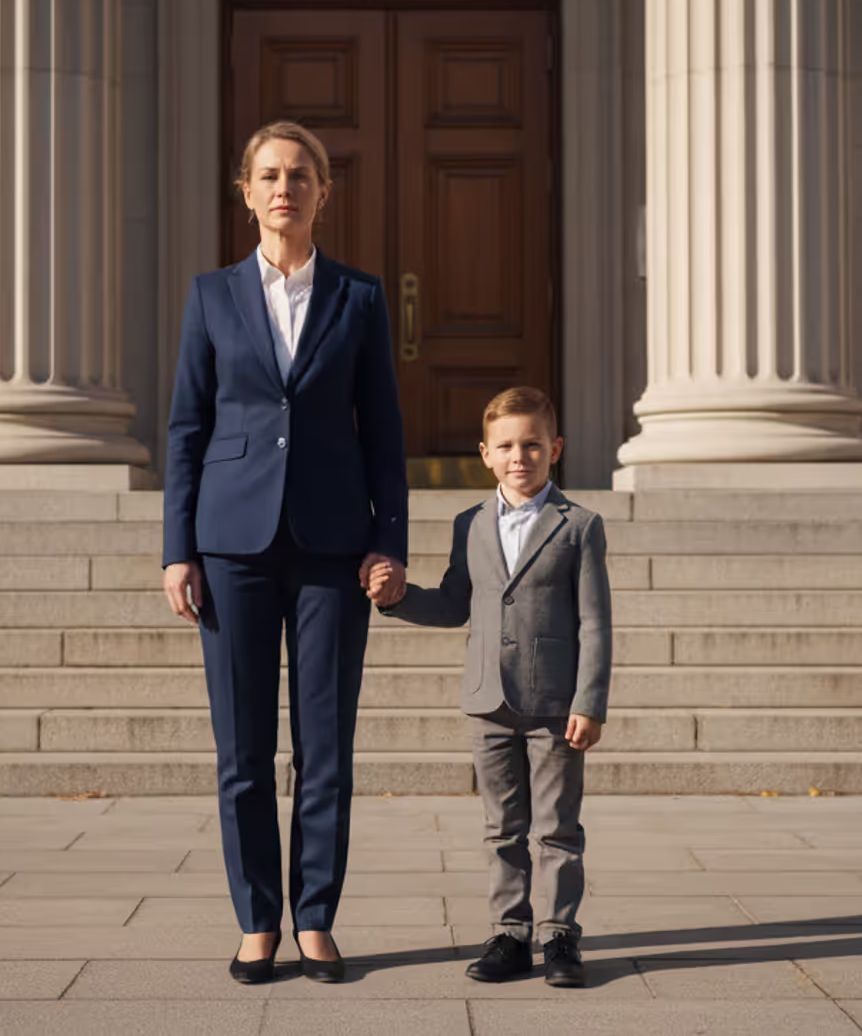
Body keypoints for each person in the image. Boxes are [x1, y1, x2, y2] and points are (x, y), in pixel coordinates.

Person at [161, 120, 409, 985]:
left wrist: (390, 542)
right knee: (241, 748)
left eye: (300, 175)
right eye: (268, 175)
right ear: (246, 190)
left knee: (325, 745)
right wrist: (176, 549)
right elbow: (187, 428)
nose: (284, 189)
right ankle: (254, 918)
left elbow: (383, 435)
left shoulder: (361, 298)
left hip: (334, 546)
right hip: (230, 545)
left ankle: (315, 916)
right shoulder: (211, 297)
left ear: (322, 192)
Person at [366, 386, 612, 988]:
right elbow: (456, 604)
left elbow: (595, 621)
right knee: (501, 827)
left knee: (556, 827)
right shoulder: (470, 524)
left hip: (556, 704)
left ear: (555, 448)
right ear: (484, 453)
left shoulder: (579, 526)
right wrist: (397, 600)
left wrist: (589, 700)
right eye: (506, 446)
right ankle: (509, 933)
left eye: (532, 444)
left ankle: (559, 938)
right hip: (488, 702)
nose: (519, 456)